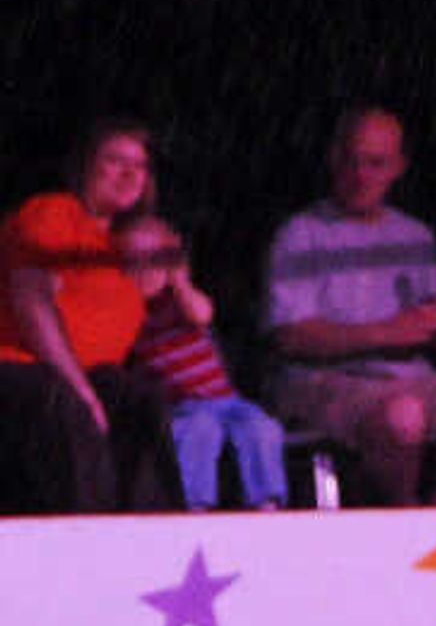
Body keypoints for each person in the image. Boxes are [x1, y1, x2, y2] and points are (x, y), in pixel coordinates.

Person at [261, 105, 436, 507]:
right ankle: (402, 516)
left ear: (398, 167)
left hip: (410, 378)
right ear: (334, 159)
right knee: (403, 416)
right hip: (325, 382)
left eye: (376, 164)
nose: (362, 176)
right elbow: (289, 337)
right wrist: (383, 333)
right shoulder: (300, 234)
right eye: (352, 161)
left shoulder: (414, 235)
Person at [0, 121, 163, 513]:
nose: (129, 174)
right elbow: (32, 298)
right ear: (83, 167)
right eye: (114, 161)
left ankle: (154, 536)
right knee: (63, 400)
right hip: (19, 367)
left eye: (139, 166)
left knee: (137, 397)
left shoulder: (124, 249)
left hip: (83, 376)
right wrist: (81, 390)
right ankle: (89, 542)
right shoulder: (55, 212)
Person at [116, 214, 288, 511]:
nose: (145, 272)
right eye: (133, 262)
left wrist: (179, 280)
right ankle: (194, 504)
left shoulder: (181, 302)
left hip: (226, 399)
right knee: (199, 431)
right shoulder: (128, 312)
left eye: (155, 260)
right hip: (183, 404)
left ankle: (266, 499)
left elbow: (201, 314)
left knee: (262, 427)